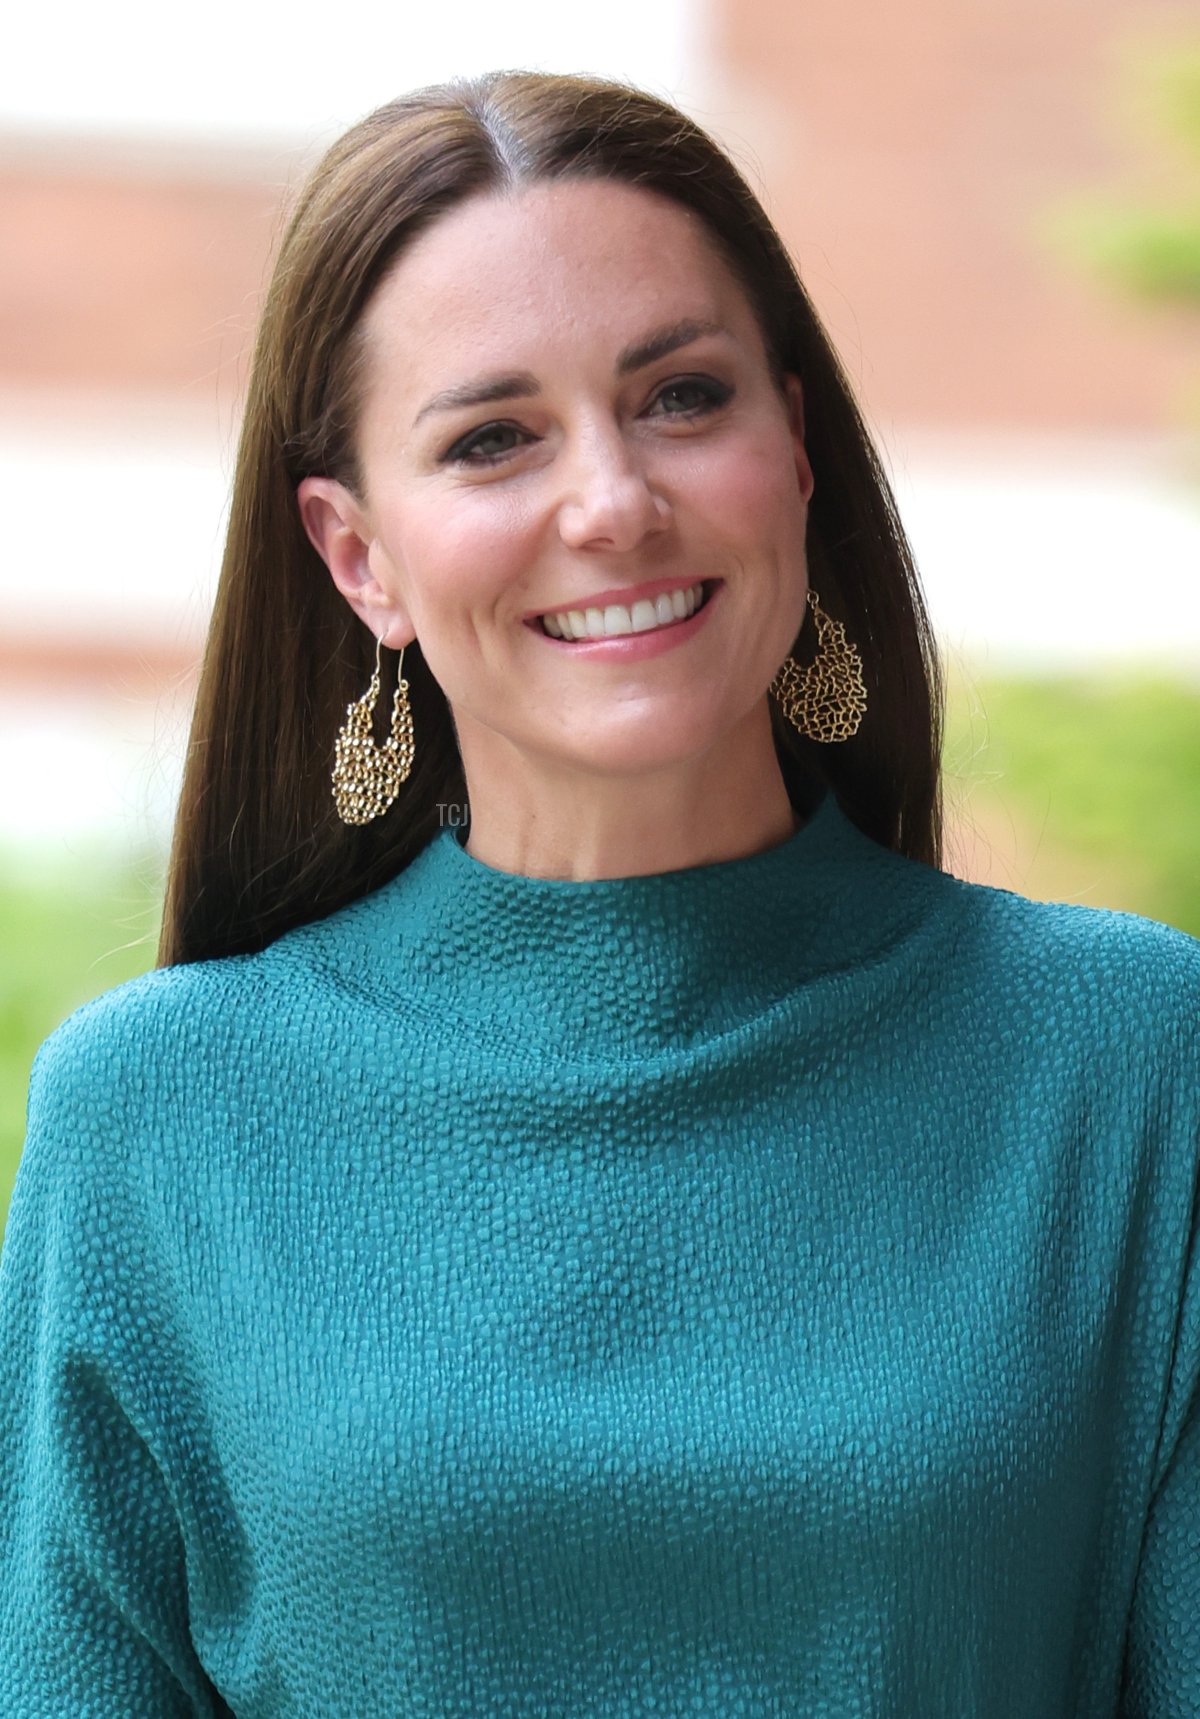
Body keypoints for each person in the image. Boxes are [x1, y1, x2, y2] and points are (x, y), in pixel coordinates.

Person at [0, 67, 1197, 1719]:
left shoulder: (1130, 1062)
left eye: (684, 399)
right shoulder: (156, 1121)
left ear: (798, 449)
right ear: (360, 559)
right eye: (494, 438)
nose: (614, 504)